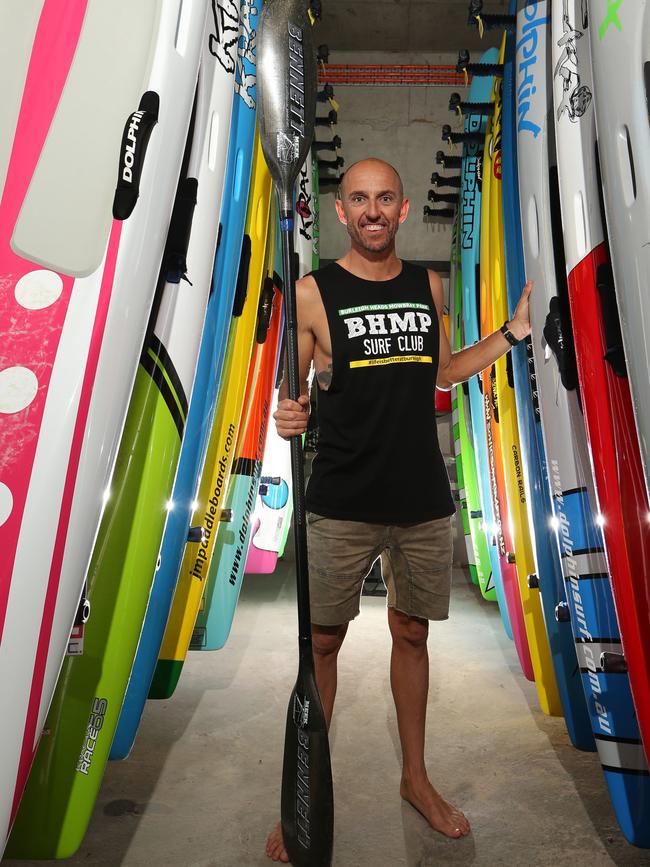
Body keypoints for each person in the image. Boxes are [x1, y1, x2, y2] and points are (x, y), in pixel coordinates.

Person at [266, 158, 532, 862]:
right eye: (359, 198)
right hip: (343, 498)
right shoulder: (313, 293)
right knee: (321, 645)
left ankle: (415, 776)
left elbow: (442, 372)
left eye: (386, 197)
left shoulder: (428, 285)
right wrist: (286, 415)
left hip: (419, 499)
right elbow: (290, 394)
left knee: (411, 635)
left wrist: (511, 331)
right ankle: (305, 791)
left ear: (405, 208)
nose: (373, 209)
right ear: (341, 212)